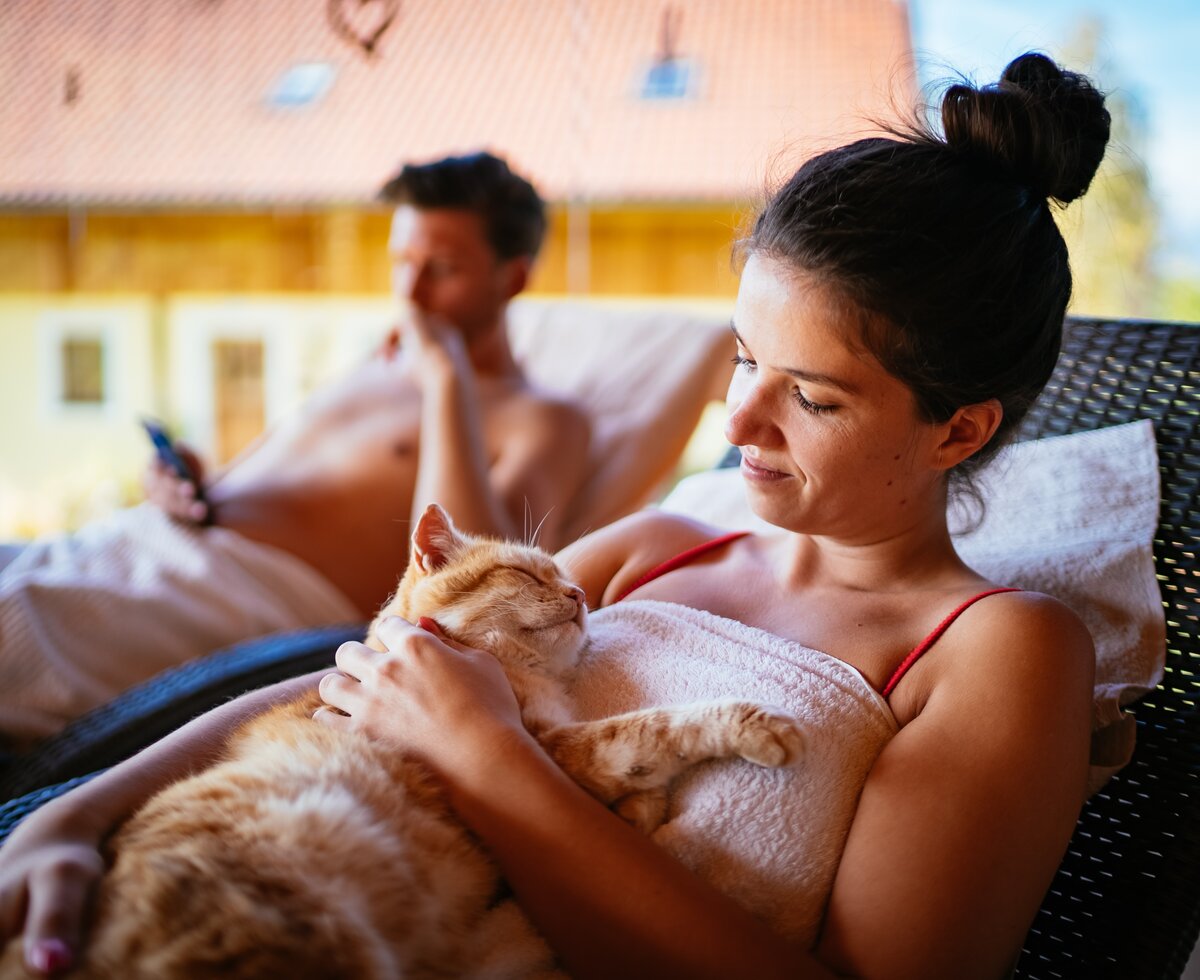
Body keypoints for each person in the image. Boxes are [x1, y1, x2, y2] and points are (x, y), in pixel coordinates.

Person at [0, 52, 1110, 977]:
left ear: (959, 429)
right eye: (741, 358)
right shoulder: (664, 544)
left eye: (811, 397)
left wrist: (491, 756)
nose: (738, 417)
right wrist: (76, 815)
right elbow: (377, 671)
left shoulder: (1002, 650)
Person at [0, 151, 589, 743]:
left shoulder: (540, 418)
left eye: (440, 269)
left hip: (235, 597)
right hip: (131, 543)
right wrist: (186, 481)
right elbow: (270, 471)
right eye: (401, 263)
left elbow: (479, 565)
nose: (410, 293)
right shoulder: (374, 365)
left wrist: (446, 379)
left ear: (510, 278)